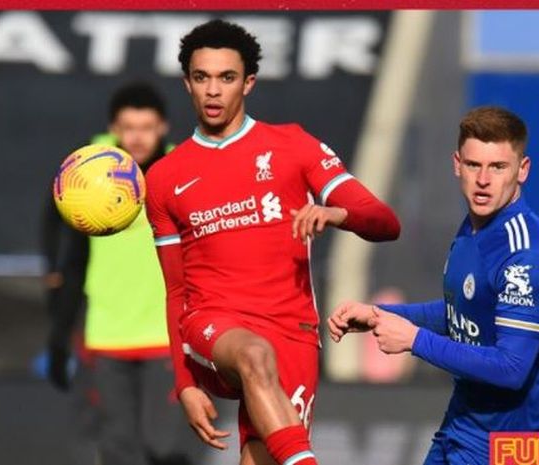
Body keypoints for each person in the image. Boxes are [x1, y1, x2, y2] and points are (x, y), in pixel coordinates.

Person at [144, 19, 401, 465]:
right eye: (201, 78)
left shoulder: (292, 146)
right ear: (187, 83)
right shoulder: (164, 177)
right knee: (253, 354)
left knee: (265, 455)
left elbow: (385, 222)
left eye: (226, 78)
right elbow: (176, 291)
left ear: (249, 83)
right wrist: (185, 384)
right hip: (215, 324)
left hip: (292, 331)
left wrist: (337, 213)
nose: (213, 91)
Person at [328, 106, 539, 465]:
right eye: (474, 165)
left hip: (512, 448)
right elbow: (464, 311)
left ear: (523, 170)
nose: (483, 180)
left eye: (498, 167)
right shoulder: (474, 227)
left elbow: (511, 368)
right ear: (457, 164)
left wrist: (413, 340)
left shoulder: (525, 256)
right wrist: (380, 316)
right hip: (463, 429)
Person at [45, 82, 200, 465]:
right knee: (117, 449)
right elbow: (67, 248)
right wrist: (59, 333)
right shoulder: (89, 174)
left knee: (164, 449)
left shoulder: (183, 174)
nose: (137, 137)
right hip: (106, 336)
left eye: (146, 127)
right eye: (128, 127)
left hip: (166, 335)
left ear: (162, 127)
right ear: (114, 126)